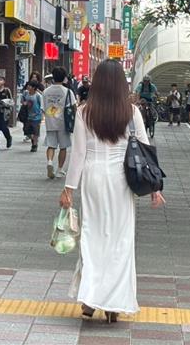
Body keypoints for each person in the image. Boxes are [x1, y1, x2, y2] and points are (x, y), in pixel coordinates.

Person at [60, 60, 165, 321]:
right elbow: (145, 149)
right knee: (120, 241)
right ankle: (114, 305)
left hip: (93, 177)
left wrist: (69, 188)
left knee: (92, 237)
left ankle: (90, 299)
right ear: (121, 84)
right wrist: (155, 186)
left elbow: (79, 154)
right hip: (121, 180)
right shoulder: (131, 112)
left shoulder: (84, 112)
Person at [42, 66, 76, 179]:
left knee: (51, 145)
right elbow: (73, 106)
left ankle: (50, 161)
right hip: (63, 123)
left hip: (50, 121)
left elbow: (43, 108)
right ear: (64, 77)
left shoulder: (46, 91)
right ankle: (60, 169)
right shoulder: (67, 91)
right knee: (63, 146)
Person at [24, 80, 44, 152]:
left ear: (34, 87)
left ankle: (34, 145)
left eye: (30, 86)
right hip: (28, 116)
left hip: (36, 117)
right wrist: (24, 103)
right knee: (28, 132)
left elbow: (42, 106)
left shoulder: (38, 96)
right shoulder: (26, 94)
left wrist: (42, 115)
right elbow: (23, 101)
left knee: (35, 132)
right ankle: (34, 141)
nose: (28, 87)